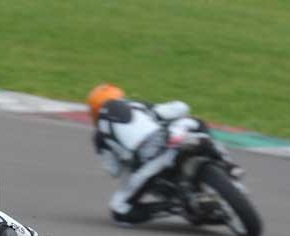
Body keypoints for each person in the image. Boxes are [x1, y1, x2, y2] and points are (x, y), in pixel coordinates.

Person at [87, 84, 240, 224]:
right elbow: (180, 107)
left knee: (119, 210)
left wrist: (125, 157)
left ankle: (173, 206)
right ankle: (227, 164)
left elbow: (114, 170)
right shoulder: (139, 106)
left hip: (150, 165)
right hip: (173, 139)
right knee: (197, 123)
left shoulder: (100, 136)